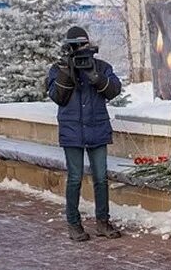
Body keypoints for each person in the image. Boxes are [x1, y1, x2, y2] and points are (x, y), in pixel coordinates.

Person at [47, 26, 123, 241]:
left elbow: (114, 90)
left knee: (100, 178)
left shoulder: (101, 67)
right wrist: (66, 72)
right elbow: (57, 97)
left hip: (97, 128)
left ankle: (102, 222)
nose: (79, 50)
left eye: (82, 45)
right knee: (74, 178)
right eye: (74, 46)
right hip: (72, 130)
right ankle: (73, 223)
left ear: (89, 45)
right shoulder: (58, 68)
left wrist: (95, 76)